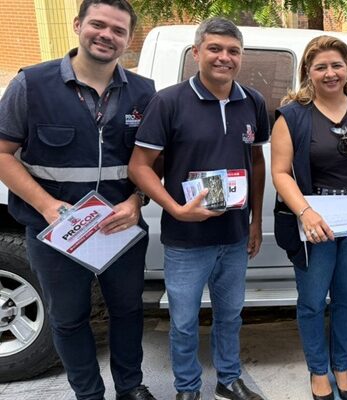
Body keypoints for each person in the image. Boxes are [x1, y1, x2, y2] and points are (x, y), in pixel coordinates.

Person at [0, 1, 156, 399]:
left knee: (128, 311)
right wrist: (46, 206)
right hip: (56, 232)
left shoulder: (143, 92)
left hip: (120, 229)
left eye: (118, 30)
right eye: (98, 25)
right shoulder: (31, 85)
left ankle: (130, 388)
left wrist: (137, 200)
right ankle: (88, 394)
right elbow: (2, 153)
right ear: (77, 25)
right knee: (68, 319)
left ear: (128, 40)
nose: (107, 35)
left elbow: (154, 161)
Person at [127, 17, 269, 400]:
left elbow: (256, 162)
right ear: (196, 53)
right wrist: (175, 208)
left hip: (234, 237)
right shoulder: (169, 102)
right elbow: (139, 166)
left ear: (242, 56)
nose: (224, 58)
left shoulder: (253, 101)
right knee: (185, 321)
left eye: (233, 51)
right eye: (215, 49)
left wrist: (255, 221)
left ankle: (228, 379)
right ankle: (187, 388)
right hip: (186, 240)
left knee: (230, 315)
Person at [271, 35, 347, 400]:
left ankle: (341, 364)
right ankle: (318, 370)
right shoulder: (292, 116)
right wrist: (305, 213)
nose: (330, 73)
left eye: (337, 65)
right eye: (321, 67)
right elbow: (280, 173)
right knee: (312, 301)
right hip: (314, 223)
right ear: (308, 71)